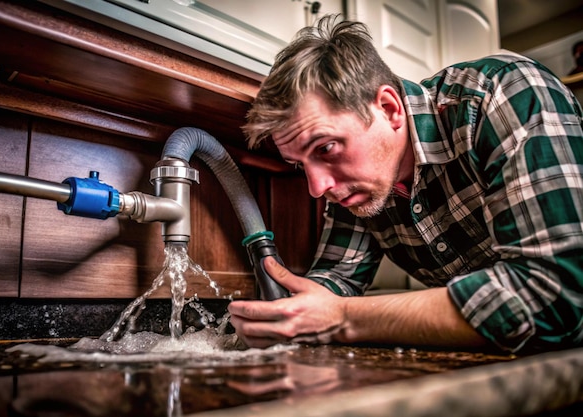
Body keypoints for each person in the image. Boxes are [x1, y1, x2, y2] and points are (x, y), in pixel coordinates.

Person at [227, 14, 583, 354]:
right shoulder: (357, 184)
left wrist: (343, 318)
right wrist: (284, 316)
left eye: (326, 148)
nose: (317, 187)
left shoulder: (502, 95)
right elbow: (339, 279)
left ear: (389, 108)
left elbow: (555, 295)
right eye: (300, 165)